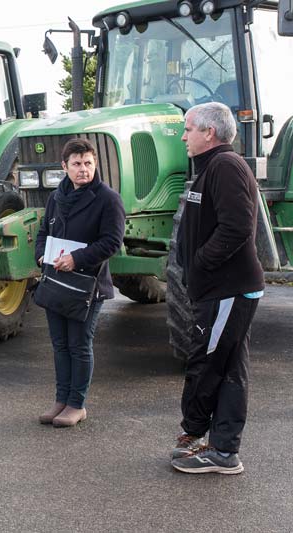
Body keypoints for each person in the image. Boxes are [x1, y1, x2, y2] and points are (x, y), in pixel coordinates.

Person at [170, 102, 264, 475]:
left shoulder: (225, 167)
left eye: (188, 128)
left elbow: (238, 227)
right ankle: (223, 450)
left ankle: (196, 436)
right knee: (228, 368)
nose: (183, 136)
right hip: (221, 289)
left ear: (209, 132)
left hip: (228, 290)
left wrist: (200, 262)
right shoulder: (211, 168)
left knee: (208, 364)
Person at [33, 138, 125, 426]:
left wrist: (77, 258)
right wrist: (41, 256)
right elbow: (42, 233)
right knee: (60, 344)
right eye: (76, 164)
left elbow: (112, 242)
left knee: (79, 344)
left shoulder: (108, 199)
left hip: (87, 285)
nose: (83, 169)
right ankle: (61, 399)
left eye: (88, 163)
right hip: (56, 282)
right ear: (65, 166)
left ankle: (77, 404)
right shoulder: (56, 197)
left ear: (95, 164)